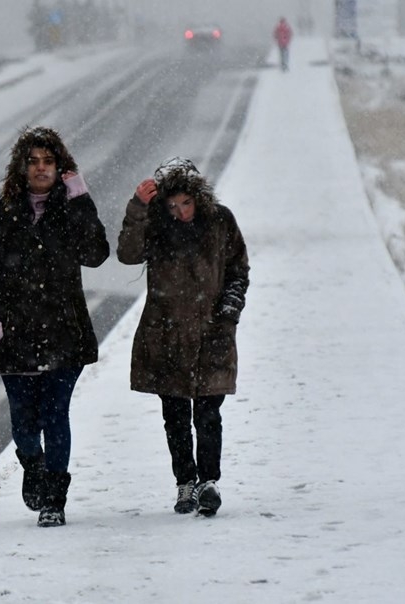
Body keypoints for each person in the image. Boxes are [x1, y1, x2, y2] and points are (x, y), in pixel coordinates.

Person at [0, 126, 110, 527]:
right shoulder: (1, 215)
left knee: (56, 416)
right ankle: (32, 465)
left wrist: (80, 195)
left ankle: (55, 499)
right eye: (32, 162)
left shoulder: (70, 209)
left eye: (48, 162)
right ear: (21, 167)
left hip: (64, 332)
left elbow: (97, 254)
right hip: (14, 337)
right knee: (24, 422)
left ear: (60, 166)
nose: (40, 169)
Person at [116, 157, 249, 516]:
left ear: (198, 198)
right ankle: (184, 484)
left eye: (186, 203)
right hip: (166, 335)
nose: (181, 212)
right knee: (174, 416)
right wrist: (139, 208)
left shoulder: (221, 222)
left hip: (212, 333)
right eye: (173, 206)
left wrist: (230, 308)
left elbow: (238, 268)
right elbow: (127, 253)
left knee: (208, 414)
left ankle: (209, 481)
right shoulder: (157, 227)